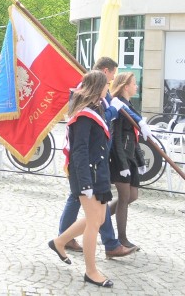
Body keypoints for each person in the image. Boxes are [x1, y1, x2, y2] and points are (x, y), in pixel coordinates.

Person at [57, 57, 148, 258]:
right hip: (89, 164)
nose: (111, 83)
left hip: (97, 162)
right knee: (94, 213)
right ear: (104, 73)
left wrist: (137, 121)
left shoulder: (96, 96)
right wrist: (112, 111)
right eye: (110, 79)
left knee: (93, 211)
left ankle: (65, 239)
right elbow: (89, 131)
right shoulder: (84, 99)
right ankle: (107, 245)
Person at [49, 70, 114, 288]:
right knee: (94, 223)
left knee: (99, 218)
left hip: (99, 172)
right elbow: (79, 151)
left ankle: (59, 241)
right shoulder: (84, 115)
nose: (108, 87)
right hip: (88, 175)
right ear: (98, 86)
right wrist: (85, 184)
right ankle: (91, 271)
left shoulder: (97, 109)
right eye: (106, 84)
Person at [108, 72, 145, 250]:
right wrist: (122, 165)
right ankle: (122, 239)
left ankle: (101, 218)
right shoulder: (118, 106)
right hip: (119, 158)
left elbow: (134, 135)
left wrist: (140, 159)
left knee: (133, 196)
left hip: (129, 157)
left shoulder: (128, 105)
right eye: (134, 83)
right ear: (125, 86)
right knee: (124, 197)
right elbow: (116, 138)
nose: (136, 86)